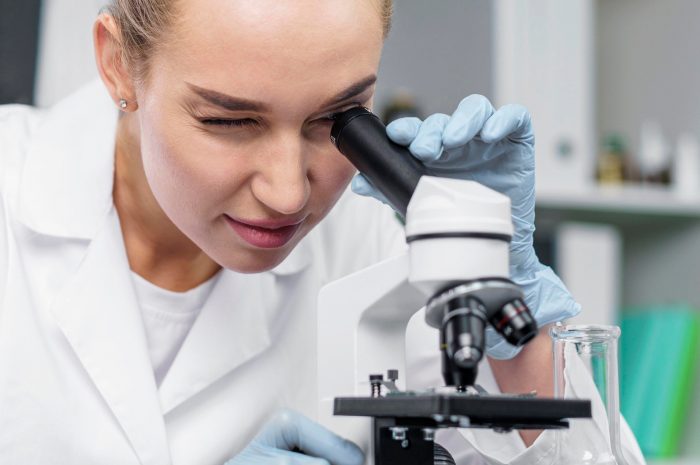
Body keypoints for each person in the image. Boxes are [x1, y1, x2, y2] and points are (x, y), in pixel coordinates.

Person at [0, 1, 645, 464]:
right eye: (230, 121)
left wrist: (513, 315)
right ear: (118, 65)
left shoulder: (371, 247)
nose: (288, 193)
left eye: (338, 119)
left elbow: (587, 456)